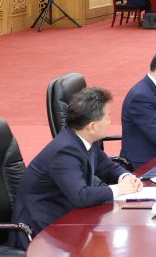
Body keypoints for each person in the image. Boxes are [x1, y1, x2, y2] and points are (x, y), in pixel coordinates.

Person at [13, 87, 142, 248]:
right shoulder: (64, 152)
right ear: (92, 126)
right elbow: (81, 196)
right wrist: (119, 189)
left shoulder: (85, 137)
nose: (110, 121)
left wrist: (126, 177)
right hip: (41, 229)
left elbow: (106, 166)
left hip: (67, 215)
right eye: (108, 116)